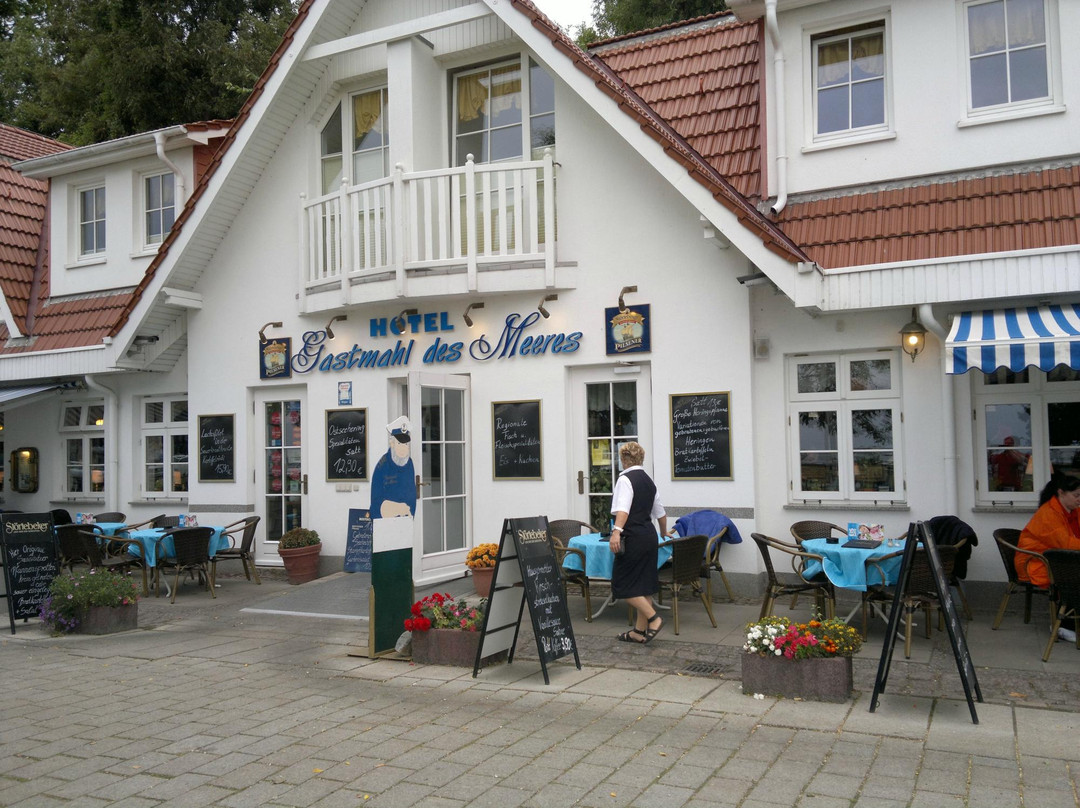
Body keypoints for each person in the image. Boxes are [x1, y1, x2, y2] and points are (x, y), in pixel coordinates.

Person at [608, 441, 668, 644]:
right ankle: (638, 632)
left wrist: (616, 532)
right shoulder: (649, 482)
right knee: (643, 586)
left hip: (632, 537)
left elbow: (623, 509)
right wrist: (663, 532)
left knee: (621, 584)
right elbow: (660, 513)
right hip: (649, 536)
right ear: (641, 458)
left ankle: (654, 618)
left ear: (624, 459)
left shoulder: (625, 479)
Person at [1017, 474, 1080, 641]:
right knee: (1074, 577)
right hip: (1037, 564)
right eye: (1076, 495)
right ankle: (1064, 625)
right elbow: (1066, 544)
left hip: (1059, 561)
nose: (1079, 499)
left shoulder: (1073, 510)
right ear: (1061, 493)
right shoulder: (1049, 514)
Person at [369, 416, 417, 518]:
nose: (403, 448)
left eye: (406, 444)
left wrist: (410, 514)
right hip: (387, 521)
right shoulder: (382, 465)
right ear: (392, 444)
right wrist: (397, 508)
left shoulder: (409, 464)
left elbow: (411, 493)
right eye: (399, 443)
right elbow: (376, 502)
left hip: (406, 520)